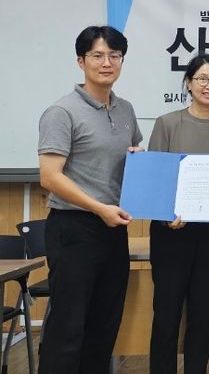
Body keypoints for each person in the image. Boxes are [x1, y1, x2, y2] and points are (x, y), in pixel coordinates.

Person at [37, 26, 143, 373]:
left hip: (113, 229)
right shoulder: (62, 111)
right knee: (68, 327)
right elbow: (50, 177)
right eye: (97, 55)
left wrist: (139, 160)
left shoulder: (125, 110)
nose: (107, 62)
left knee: (104, 324)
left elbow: (131, 159)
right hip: (73, 228)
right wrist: (99, 208)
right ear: (81, 61)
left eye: (114, 55)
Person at [148, 53, 209, 373]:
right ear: (188, 83)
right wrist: (166, 215)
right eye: (202, 78)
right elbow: (156, 177)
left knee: (203, 311)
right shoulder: (167, 123)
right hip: (171, 228)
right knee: (166, 312)